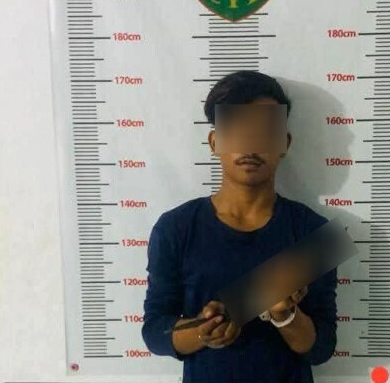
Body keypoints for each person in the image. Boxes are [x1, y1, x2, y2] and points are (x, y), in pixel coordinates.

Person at [141, 70, 338, 382]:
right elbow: (154, 331)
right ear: (214, 142)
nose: (250, 145)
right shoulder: (176, 228)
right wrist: (202, 331)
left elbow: (322, 348)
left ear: (284, 143)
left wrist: (284, 315)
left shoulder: (314, 233)